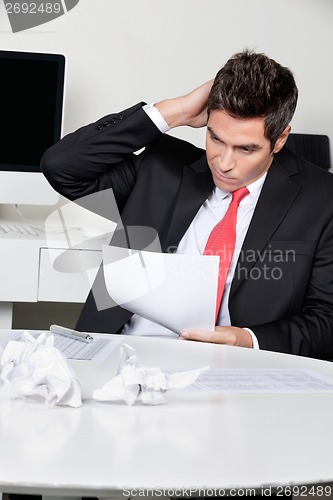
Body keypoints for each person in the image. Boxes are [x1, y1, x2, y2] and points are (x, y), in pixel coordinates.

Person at [41, 50, 333, 359]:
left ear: (280, 139)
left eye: (246, 149)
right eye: (216, 138)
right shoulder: (162, 169)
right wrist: (173, 112)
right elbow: (62, 166)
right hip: (120, 357)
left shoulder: (322, 199)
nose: (224, 162)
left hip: (235, 371)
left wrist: (246, 340)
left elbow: (327, 318)